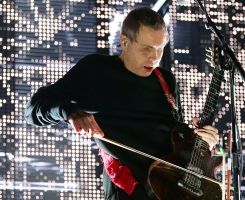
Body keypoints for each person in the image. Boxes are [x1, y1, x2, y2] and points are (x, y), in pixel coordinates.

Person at [25, 7, 219, 200]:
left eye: (160, 49)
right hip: (130, 191)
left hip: (170, 190)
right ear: (124, 41)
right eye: (146, 49)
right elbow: (33, 110)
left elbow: (174, 137)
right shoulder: (96, 70)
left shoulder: (165, 80)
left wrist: (198, 138)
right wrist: (70, 111)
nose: (154, 57)